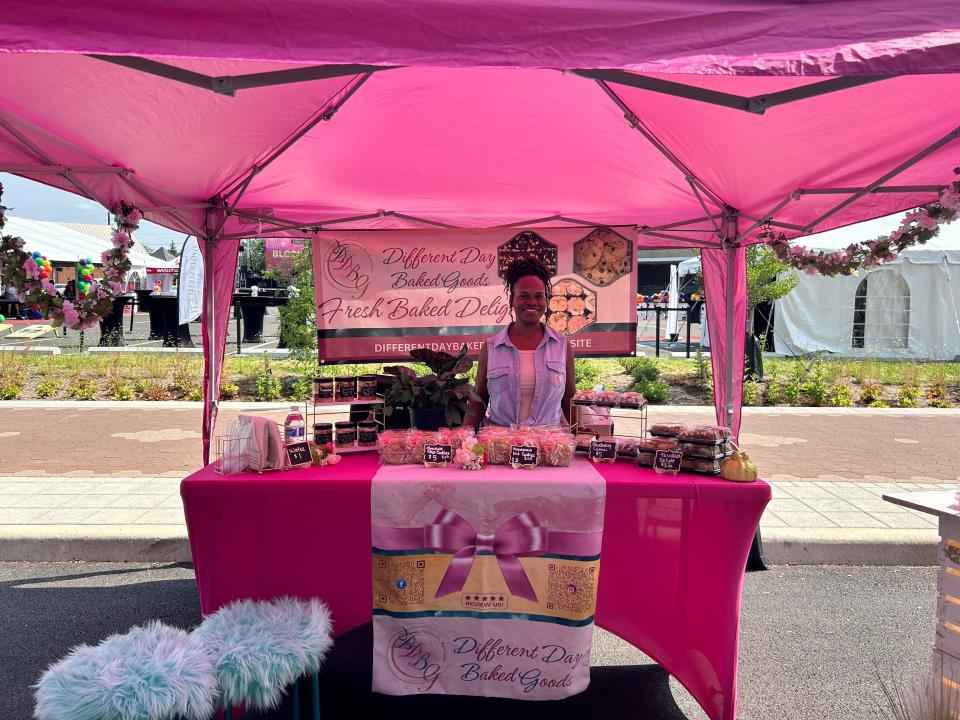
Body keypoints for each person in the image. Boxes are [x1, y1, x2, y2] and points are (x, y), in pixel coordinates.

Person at [466, 257, 576, 428]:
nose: (532, 302)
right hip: (501, 446)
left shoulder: (561, 345)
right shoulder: (491, 347)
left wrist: (582, 438)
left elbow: (569, 398)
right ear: (512, 300)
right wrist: (463, 437)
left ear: (546, 301)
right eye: (523, 296)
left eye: (539, 296)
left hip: (548, 447)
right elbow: (479, 397)